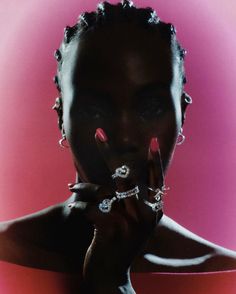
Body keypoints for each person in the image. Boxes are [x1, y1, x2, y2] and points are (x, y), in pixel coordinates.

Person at [0, 0, 235, 293]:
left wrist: (113, 281)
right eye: (95, 110)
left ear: (182, 117)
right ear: (62, 117)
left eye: (150, 107)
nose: (124, 138)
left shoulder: (226, 277)